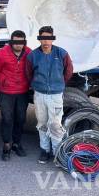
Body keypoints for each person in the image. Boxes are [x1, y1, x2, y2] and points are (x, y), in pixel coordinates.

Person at [26, 26, 73, 164]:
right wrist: (37, 85)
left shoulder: (62, 54)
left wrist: (59, 83)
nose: (46, 41)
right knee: (42, 123)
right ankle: (44, 150)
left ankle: (57, 152)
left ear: (52, 39)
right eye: (43, 38)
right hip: (40, 95)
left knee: (55, 124)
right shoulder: (33, 56)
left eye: (48, 38)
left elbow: (69, 71)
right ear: (39, 39)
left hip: (55, 95)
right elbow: (28, 73)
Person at [0, 30, 32, 161]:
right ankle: (6, 145)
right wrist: (4, 82)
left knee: (20, 118)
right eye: (15, 41)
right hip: (6, 92)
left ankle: (16, 143)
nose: (18, 44)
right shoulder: (2, 54)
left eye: (21, 42)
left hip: (22, 91)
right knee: (7, 119)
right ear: (11, 41)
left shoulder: (29, 53)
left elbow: (32, 69)